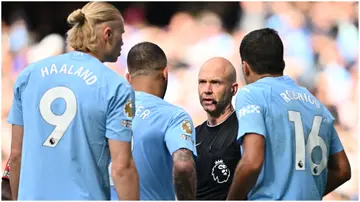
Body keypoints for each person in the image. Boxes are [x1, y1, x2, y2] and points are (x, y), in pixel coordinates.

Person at [7, 2, 139, 200]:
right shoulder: (115, 86)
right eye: (122, 33)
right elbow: (122, 168)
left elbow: (16, 156)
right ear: (108, 34)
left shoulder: (28, 75)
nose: (123, 43)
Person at [227, 28, 351, 200]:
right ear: (282, 63)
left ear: (245, 67)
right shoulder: (316, 104)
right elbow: (343, 170)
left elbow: (251, 162)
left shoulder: (251, 94)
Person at [110, 42, 197, 200]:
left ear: (128, 78)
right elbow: (183, 165)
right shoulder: (174, 116)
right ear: (165, 73)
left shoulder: (105, 112)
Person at [195, 57, 241, 200]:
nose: (207, 90)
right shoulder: (194, 134)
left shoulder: (244, 129)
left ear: (233, 89)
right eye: (202, 82)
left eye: (215, 83)